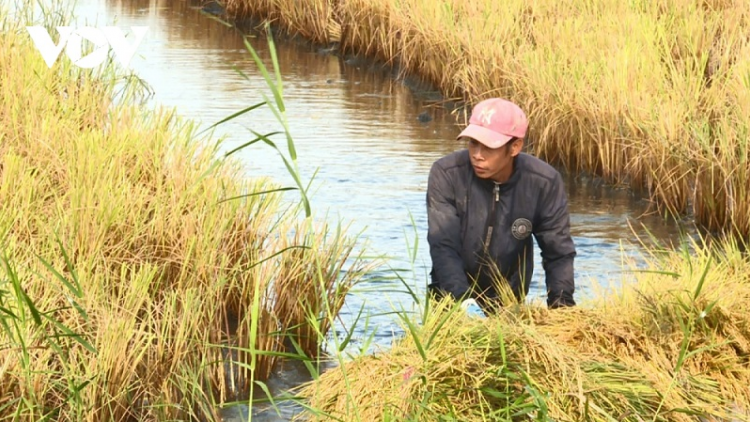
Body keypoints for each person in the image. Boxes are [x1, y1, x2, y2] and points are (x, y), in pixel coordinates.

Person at [426, 97, 576, 314]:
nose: (477, 155)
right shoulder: (447, 174)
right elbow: (443, 245)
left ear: (514, 147)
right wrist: (463, 302)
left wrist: (561, 308)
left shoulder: (543, 182)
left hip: (508, 304)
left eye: (488, 147)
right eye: (473, 143)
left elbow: (558, 252)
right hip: (450, 299)